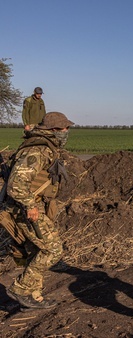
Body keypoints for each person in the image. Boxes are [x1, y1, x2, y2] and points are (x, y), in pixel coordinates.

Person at [1, 112, 73, 309]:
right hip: (25, 208)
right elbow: (16, 185)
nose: (67, 132)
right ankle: (20, 288)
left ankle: (34, 296)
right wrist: (30, 205)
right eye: (65, 129)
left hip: (29, 206)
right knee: (53, 249)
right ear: (54, 130)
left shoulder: (45, 147)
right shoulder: (38, 151)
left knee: (36, 251)